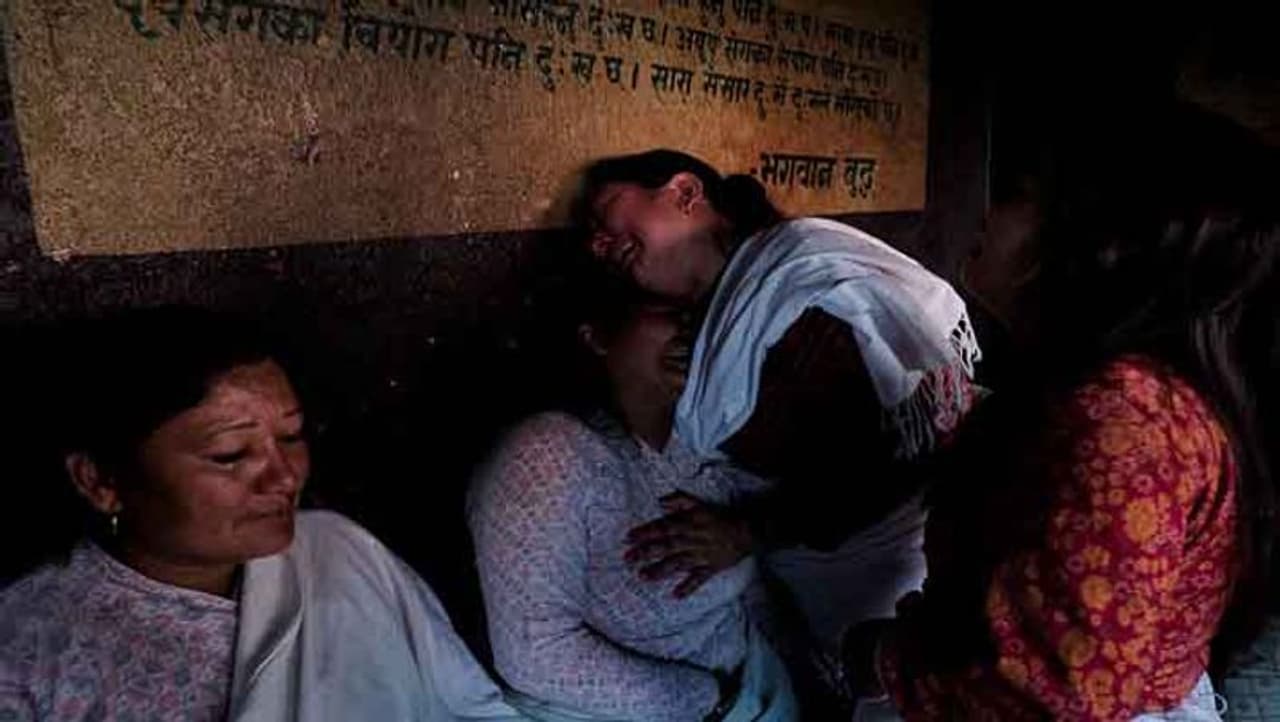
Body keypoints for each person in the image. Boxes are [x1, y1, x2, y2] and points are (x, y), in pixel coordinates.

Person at [836, 103, 1278, 721]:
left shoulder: (1127, 418)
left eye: (1018, 196)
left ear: (1101, 238)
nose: (987, 211)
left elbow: (1057, 697)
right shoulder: (1108, 392)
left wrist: (881, 658)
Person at [0, 307, 525, 722]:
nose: (285, 478)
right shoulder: (28, 649)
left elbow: (473, 708)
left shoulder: (340, 553)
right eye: (230, 455)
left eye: (292, 437)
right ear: (100, 482)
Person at [575, 150, 982, 653]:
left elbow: (874, 467)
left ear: (685, 192)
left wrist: (744, 533)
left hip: (890, 588)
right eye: (591, 235)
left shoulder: (803, 284)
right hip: (815, 599)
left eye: (607, 212)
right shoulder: (705, 318)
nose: (597, 243)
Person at [468, 281, 797, 721]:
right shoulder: (550, 453)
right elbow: (536, 654)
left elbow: (755, 584)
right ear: (597, 335)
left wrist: (792, 668)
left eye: (699, 314)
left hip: (759, 691)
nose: (690, 328)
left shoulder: (700, 442)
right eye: (665, 309)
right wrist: (708, 700)